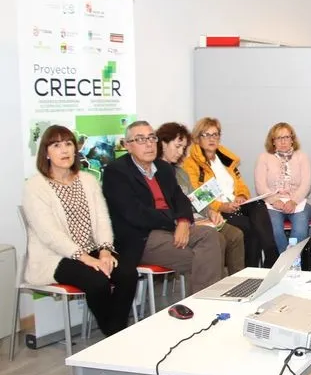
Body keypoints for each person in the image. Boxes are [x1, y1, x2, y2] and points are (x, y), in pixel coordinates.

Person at [22, 125, 138, 336]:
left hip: (93, 250)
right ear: (46, 153)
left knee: (128, 273)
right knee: (98, 282)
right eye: (56, 145)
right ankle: (115, 334)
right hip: (57, 257)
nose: (64, 150)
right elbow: (50, 235)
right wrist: (86, 258)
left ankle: (116, 332)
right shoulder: (35, 186)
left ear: (75, 150)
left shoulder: (88, 180)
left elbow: (103, 219)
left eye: (68, 144)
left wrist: (104, 250)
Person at [102, 121, 223, 294]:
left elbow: (181, 199)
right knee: (203, 259)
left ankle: (203, 303)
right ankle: (204, 305)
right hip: (142, 237)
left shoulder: (164, 168)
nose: (149, 144)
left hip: (171, 228)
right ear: (128, 146)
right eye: (141, 139)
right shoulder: (116, 171)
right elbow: (134, 213)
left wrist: (183, 221)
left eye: (152, 138)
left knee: (211, 236)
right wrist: (174, 223)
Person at [182, 117, 278, 268]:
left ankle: (271, 253)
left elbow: (240, 183)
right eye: (206, 135)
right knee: (250, 229)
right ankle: (250, 272)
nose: (212, 139)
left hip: (236, 203)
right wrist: (222, 206)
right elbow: (197, 196)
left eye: (215, 134)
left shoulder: (225, 159)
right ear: (197, 138)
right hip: (216, 210)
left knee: (259, 204)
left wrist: (241, 196)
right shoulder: (191, 164)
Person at [156, 122, 245, 276]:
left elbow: (196, 197)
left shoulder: (180, 172)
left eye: (183, 148)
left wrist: (210, 212)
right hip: (179, 224)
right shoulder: (155, 172)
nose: (180, 152)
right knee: (218, 239)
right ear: (163, 144)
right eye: (177, 146)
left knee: (236, 235)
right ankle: (214, 286)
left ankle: (238, 281)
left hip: (198, 218)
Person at [254, 122, 311, 255]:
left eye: (286, 137)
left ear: (292, 139)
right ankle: (284, 261)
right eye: (279, 138)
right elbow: (260, 185)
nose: (283, 141)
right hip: (272, 203)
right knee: (274, 229)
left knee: (300, 229)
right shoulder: (264, 158)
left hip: (299, 202)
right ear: (273, 141)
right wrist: (274, 200)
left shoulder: (302, 157)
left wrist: (293, 201)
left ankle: (292, 263)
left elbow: (306, 184)